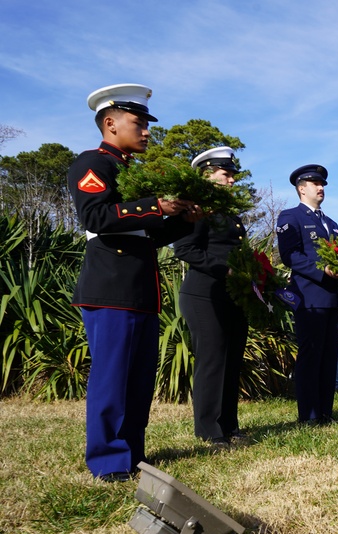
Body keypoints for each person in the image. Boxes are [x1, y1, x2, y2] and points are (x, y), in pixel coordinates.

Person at [69, 83, 199, 481]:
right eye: (138, 122)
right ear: (110, 123)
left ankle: (133, 453)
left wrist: (180, 220)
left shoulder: (128, 171)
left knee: (139, 378)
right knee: (112, 378)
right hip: (111, 289)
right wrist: (154, 206)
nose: (146, 131)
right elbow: (96, 218)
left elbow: (146, 236)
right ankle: (109, 463)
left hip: (139, 290)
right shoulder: (93, 163)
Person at [174, 146, 249, 446]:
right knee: (212, 361)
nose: (231, 180)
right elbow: (185, 250)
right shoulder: (196, 207)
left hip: (233, 296)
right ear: (206, 174)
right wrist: (226, 271)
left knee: (231, 360)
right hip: (204, 294)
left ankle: (229, 426)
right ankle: (209, 430)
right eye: (225, 174)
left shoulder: (230, 213)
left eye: (232, 175)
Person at [276, 164, 338, 424]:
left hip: (334, 297)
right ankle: (309, 415)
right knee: (311, 354)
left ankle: (326, 413)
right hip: (310, 296)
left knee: (328, 357)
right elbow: (289, 255)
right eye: (315, 183)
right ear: (301, 188)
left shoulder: (331, 223)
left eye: (323, 184)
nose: (321, 187)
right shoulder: (290, 216)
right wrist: (321, 270)